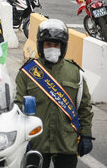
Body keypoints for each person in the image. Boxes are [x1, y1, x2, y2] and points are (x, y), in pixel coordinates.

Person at [14, 19, 94, 168]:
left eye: (56, 45)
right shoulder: (27, 72)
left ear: (62, 47)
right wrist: (21, 139)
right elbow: (17, 108)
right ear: (41, 45)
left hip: (66, 143)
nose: (52, 48)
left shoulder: (75, 72)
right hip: (36, 141)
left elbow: (84, 107)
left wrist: (86, 134)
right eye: (48, 44)